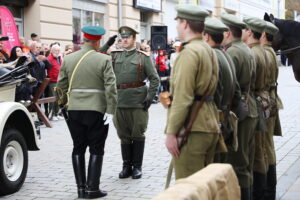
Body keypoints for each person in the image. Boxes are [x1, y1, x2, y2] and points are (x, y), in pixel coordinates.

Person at [56, 26, 117, 199]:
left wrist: (63, 106)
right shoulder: (103, 59)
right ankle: (92, 189)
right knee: (96, 148)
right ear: (98, 41)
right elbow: (110, 87)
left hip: (74, 110)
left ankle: (81, 189)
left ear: (84, 39)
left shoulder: (68, 59)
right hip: (96, 110)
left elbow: (60, 87)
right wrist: (111, 110)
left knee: (78, 147)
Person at [165, 4, 220, 180]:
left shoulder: (189, 53)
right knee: (204, 188)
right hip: (208, 123)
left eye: (178, 22)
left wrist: (171, 132)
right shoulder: (208, 50)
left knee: (189, 189)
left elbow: (182, 98)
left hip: (192, 128)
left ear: (186, 24)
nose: (177, 27)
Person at [111, 26, 159, 179]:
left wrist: (149, 98)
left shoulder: (142, 57)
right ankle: (126, 166)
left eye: (127, 37)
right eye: (122, 37)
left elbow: (154, 79)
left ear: (134, 39)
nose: (124, 39)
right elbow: (98, 56)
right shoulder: (114, 56)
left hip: (137, 102)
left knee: (137, 134)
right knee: (123, 135)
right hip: (119, 102)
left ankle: (137, 167)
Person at [221, 13, 258, 200]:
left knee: (238, 162)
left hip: (239, 109)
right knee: (246, 161)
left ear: (227, 33)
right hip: (249, 105)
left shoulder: (233, 52)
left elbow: (230, 85)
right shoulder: (245, 48)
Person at [203, 17, 237, 162]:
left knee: (212, 166)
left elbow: (215, 90)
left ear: (207, 36)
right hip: (225, 114)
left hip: (216, 117)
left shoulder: (213, 56)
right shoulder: (224, 54)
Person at [242, 16, 269, 200]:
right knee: (263, 150)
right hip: (264, 99)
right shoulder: (265, 51)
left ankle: (260, 195)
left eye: (244, 29)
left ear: (250, 32)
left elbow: (252, 83)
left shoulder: (254, 52)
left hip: (256, 101)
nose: (242, 32)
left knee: (257, 153)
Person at [261, 21, 283, 200]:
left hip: (263, 102)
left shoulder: (261, 53)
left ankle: (266, 193)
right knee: (268, 148)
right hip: (270, 100)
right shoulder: (271, 53)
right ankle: (270, 192)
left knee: (263, 149)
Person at [47, 44, 63, 121]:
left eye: (58, 50)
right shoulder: (49, 58)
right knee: (53, 98)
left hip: (59, 80)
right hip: (53, 81)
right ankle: (51, 114)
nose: (57, 52)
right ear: (52, 50)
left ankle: (56, 113)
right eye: (55, 50)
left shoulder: (59, 58)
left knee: (58, 98)